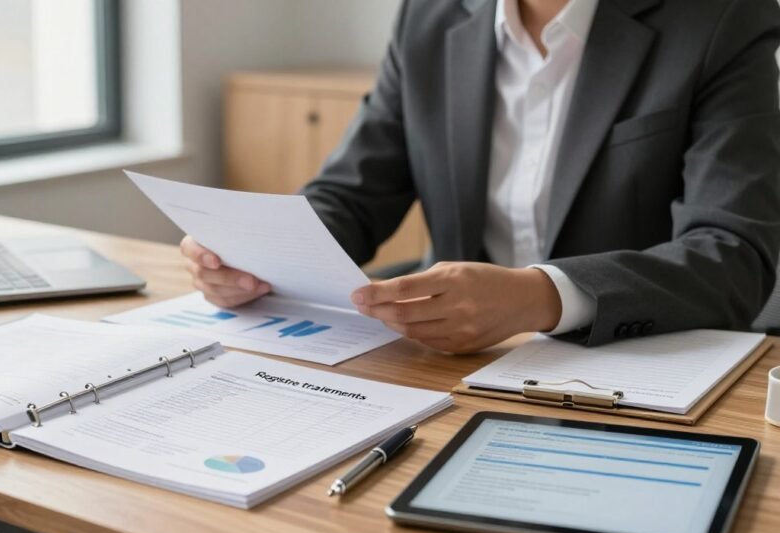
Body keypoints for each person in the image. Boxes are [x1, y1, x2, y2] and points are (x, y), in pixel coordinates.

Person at [181, 0, 780, 353]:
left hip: (635, 356)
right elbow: (353, 194)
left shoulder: (722, 19)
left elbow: (734, 254)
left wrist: (541, 297)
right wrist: (255, 254)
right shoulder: (431, 15)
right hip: (449, 356)